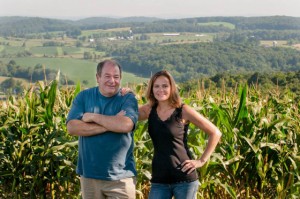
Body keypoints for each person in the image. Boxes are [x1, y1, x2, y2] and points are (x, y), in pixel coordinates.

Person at [138, 70, 222, 199]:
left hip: (184, 179)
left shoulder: (183, 110)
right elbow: (126, 115)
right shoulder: (149, 110)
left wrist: (201, 160)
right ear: (151, 89)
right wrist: (124, 96)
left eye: (165, 86)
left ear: (172, 88)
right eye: (157, 86)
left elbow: (215, 133)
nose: (161, 90)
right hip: (159, 179)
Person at [66, 59, 139, 199]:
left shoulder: (127, 99)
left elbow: (126, 125)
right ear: (98, 78)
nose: (112, 81)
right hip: (90, 177)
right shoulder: (84, 97)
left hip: (121, 178)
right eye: (107, 76)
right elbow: (72, 128)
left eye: (116, 77)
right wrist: (111, 123)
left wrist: (93, 117)